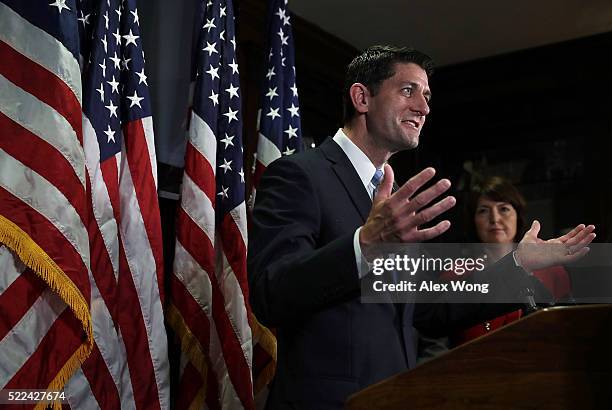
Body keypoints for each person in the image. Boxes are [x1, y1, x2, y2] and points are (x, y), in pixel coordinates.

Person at [247, 45, 595, 409]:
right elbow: (272, 293)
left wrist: (517, 264)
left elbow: (427, 309)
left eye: (427, 96)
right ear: (362, 97)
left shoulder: (397, 198)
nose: (424, 108)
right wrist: (364, 244)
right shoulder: (299, 174)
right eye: (408, 90)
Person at [444, 176, 572, 346]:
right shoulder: (456, 274)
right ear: (473, 221)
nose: (495, 219)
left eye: (503, 209)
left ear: (518, 217)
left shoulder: (552, 271)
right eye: (483, 210)